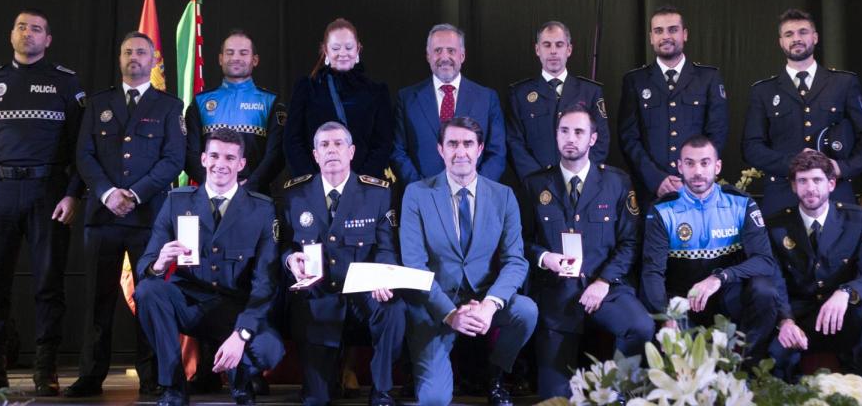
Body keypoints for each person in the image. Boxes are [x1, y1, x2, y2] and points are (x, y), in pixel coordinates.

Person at [0, 9, 86, 395]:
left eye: (36, 29)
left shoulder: (66, 83)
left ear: (47, 40)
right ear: (11, 35)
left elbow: (83, 147)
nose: (27, 33)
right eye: (21, 27)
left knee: (49, 283)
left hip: (47, 191)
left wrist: (72, 193)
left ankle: (45, 369)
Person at [65, 31, 186, 398]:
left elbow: (173, 160)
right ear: (119, 59)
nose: (134, 57)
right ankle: (91, 375)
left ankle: (152, 375)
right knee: (98, 299)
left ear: (153, 61)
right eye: (127, 52)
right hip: (103, 217)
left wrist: (133, 194)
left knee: (149, 297)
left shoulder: (169, 106)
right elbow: (84, 154)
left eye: (141, 52)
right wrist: (107, 193)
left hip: (148, 215)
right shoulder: (98, 102)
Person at [134, 128, 284, 406]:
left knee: (269, 350)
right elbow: (146, 263)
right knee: (148, 291)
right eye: (214, 155)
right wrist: (158, 263)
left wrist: (242, 333)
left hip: (233, 309)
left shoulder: (261, 210)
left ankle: (241, 382)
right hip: (188, 303)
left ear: (241, 164)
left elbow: (266, 281)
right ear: (203, 159)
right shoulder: (176, 201)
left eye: (230, 158)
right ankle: (174, 386)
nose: (220, 164)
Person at [399, 116, 536, 406]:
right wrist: (450, 314)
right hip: (435, 304)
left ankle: (495, 375)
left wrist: (489, 305)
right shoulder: (416, 194)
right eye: (452, 144)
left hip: (482, 299)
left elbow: (516, 261)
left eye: (467, 144)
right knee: (434, 400)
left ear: (480, 148)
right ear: (440, 149)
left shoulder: (504, 196)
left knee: (526, 311)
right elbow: (414, 266)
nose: (460, 151)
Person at [521, 105, 654, 398]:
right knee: (554, 399)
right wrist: (545, 257)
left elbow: (630, 242)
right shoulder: (535, 184)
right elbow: (522, 241)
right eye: (564, 131)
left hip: (605, 287)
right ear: (556, 136)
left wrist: (604, 282)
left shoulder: (617, 182)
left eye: (579, 131)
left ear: (592, 138)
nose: (571, 138)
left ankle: (616, 394)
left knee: (641, 327)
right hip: (558, 294)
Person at [280, 121, 405, 406]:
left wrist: (383, 278)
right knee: (316, 400)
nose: (331, 150)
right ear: (315, 155)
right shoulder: (294, 195)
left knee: (394, 309)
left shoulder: (378, 193)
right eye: (324, 145)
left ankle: (382, 390)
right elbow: (284, 245)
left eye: (338, 144)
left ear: (351, 152)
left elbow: (386, 248)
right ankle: (323, 382)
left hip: (363, 293)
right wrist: (290, 260)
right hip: (318, 295)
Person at [641, 135, 777, 363]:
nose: (698, 171)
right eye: (690, 163)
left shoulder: (741, 203)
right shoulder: (662, 209)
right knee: (693, 369)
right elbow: (652, 271)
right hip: (682, 302)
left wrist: (719, 277)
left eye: (705, 163)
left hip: (729, 297)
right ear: (680, 166)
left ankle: (745, 363)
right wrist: (666, 315)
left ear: (717, 166)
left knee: (764, 290)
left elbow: (764, 260)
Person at [766, 151, 862, 382]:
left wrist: (846, 292)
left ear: (831, 184)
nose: (810, 188)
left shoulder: (857, 219)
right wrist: (785, 320)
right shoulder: (776, 225)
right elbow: (775, 280)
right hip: (800, 319)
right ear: (793, 186)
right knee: (774, 366)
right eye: (802, 181)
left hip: (845, 316)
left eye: (817, 180)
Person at [743, 8, 862, 216]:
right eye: (789, 34)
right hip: (782, 193)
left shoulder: (843, 83)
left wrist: (843, 168)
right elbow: (750, 147)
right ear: (781, 41)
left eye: (803, 32)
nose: (796, 38)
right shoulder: (763, 90)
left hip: (835, 191)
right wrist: (793, 164)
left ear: (815, 37)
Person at [619, 5, 729, 206]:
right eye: (659, 31)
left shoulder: (708, 78)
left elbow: (717, 133)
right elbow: (629, 138)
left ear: (684, 34)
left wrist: (694, 177)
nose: (666, 36)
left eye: (672, 29)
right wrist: (656, 179)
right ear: (651, 37)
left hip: (698, 190)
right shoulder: (635, 81)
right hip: (651, 192)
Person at [392, 24, 507, 184]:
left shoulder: (487, 98)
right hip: (423, 198)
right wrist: (422, 191)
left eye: (451, 51)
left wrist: (474, 188)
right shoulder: (407, 99)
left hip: (474, 200)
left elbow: (497, 153)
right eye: (438, 50)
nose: (444, 57)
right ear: (428, 56)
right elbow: (398, 152)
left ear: (462, 56)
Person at [284, 19, 393, 180]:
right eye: (336, 48)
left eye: (349, 47)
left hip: (362, 190)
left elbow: (383, 144)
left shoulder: (377, 92)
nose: (343, 53)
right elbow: (292, 140)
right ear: (325, 51)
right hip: (315, 188)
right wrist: (314, 184)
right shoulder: (306, 88)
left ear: (358, 49)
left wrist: (359, 184)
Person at [185, 30, 286, 194]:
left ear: (255, 60)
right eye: (229, 53)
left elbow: (277, 154)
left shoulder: (271, 102)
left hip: (256, 195)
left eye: (243, 53)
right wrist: (214, 185)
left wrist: (250, 186)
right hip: (209, 194)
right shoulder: (200, 102)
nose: (236, 58)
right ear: (220, 59)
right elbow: (189, 153)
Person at [507, 21, 610, 180]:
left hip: (580, 186)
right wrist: (537, 181)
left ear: (569, 49)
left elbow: (601, 139)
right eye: (547, 45)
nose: (553, 51)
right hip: (536, 187)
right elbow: (515, 144)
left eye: (559, 45)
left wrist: (578, 176)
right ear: (537, 50)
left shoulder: (590, 92)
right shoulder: (520, 94)